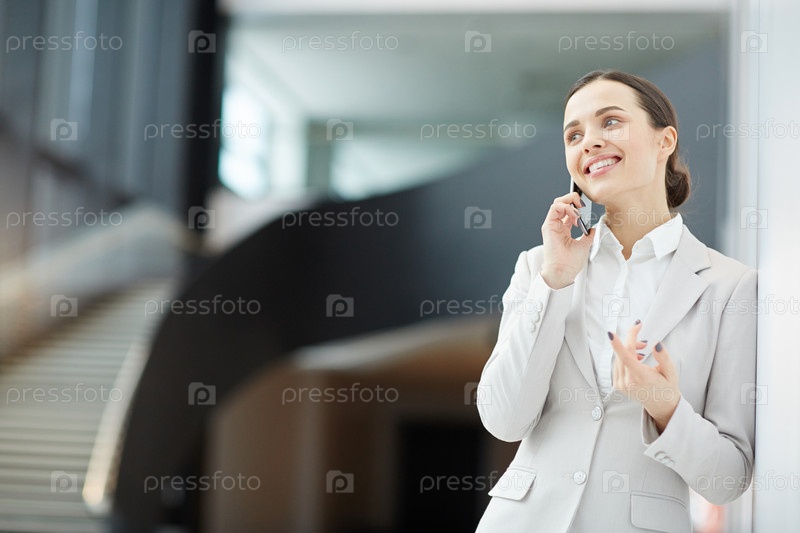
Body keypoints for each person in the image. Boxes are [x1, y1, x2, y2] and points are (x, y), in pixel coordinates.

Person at [475, 69, 757, 532]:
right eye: (574, 135)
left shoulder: (730, 286)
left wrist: (664, 407)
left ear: (665, 141)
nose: (589, 141)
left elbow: (728, 480)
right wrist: (555, 282)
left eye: (610, 122)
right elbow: (504, 420)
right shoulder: (539, 266)